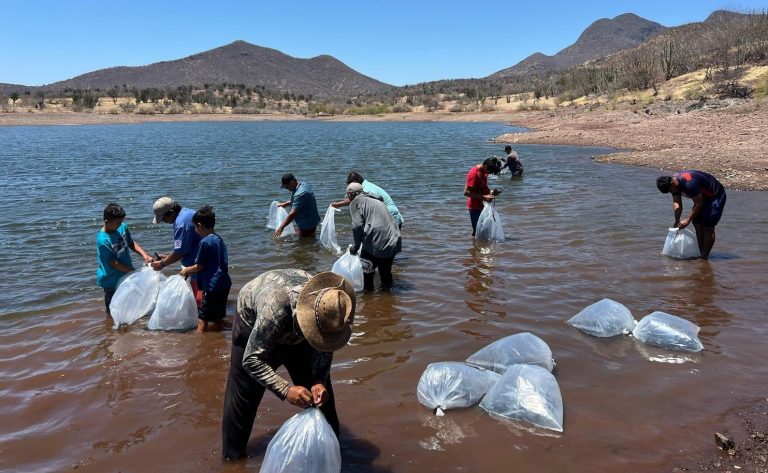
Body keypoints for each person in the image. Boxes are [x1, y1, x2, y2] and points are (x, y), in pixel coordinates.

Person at [222, 270, 355, 460]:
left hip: (296, 332)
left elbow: (326, 347)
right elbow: (251, 360)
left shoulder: (331, 306)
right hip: (254, 325)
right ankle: (232, 461)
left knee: (322, 398)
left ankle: (334, 455)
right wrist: (285, 390)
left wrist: (319, 380)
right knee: (243, 398)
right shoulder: (275, 310)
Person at [179, 206, 232, 332]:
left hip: (212, 286)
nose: (195, 230)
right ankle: (229, 332)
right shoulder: (218, 238)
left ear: (199, 225)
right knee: (217, 317)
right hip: (224, 283)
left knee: (203, 319)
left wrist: (186, 270)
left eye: (195, 227)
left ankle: (200, 345)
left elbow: (199, 266)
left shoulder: (205, 242)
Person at [96, 203, 154, 315]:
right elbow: (114, 263)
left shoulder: (122, 227)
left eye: (121, 222)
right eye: (117, 223)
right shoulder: (103, 241)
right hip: (111, 281)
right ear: (107, 221)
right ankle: (112, 329)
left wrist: (145, 255)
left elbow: (130, 243)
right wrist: (134, 272)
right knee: (113, 311)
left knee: (129, 305)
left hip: (126, 274)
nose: (120, 225)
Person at [656, 170, 727, 259]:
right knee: (697, 224)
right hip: (701, 197)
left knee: (708, 227)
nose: (672, 192)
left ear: (672, 182)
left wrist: (687, 219)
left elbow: (698, 203)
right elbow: (677, 204)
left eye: (671, 190)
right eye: (669, 192)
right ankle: (701, 253)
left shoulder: (689, 183)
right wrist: (677, 221)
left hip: (715, 196)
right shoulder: (673, 186)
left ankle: (704, 257)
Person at [345, 182, 402, 290]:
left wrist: (356, 246)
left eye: (348, 195)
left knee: (367, 274)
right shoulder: (376, 200)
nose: (348, 198)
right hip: (394, 240)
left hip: (379, 241)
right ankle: (388, 301)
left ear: (352, 194)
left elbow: (357, 226)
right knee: (385, 273)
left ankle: (369, 301)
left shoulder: (355, 202)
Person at [150, 197, 203, 304]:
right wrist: (168, 256)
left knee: (200, 305)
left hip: (200, 270)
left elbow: (180, 252)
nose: (164, 222)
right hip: (201, 266)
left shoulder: (181, 224)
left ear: (171, 213)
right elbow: (186, 247)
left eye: (164, 219)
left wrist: (161, 263)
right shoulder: (188, 213)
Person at [331, 171, 404, 228]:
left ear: (355, 181)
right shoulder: (361, 188)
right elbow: (354, 199)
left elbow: (354, 200)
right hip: (384, 216)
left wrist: (338, 204)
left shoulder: (367, 190)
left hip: (391, 216)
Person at [274, 173, 321, 238]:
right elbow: (298, 200)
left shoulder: (300, 193)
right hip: (310, 220)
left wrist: (281, 227)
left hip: (307, 223)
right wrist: (285, 204)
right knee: (305, 237)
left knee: (305, 241)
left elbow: (292, 214)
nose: (286, 189)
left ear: (292, 182)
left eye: (286, 186)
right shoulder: (302, 185)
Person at [464, 158, 501, 236]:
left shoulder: (484, 172)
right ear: (486, 166)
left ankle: (480, 247)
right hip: (475, 207)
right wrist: (484, 197)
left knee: (485, 231)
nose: (489, 173)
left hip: (483, 206)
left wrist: (491, 192)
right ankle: (476, 247)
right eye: (489, 171)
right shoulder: (474, 174)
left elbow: (482, 188)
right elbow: (466, 193)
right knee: (477, 231)